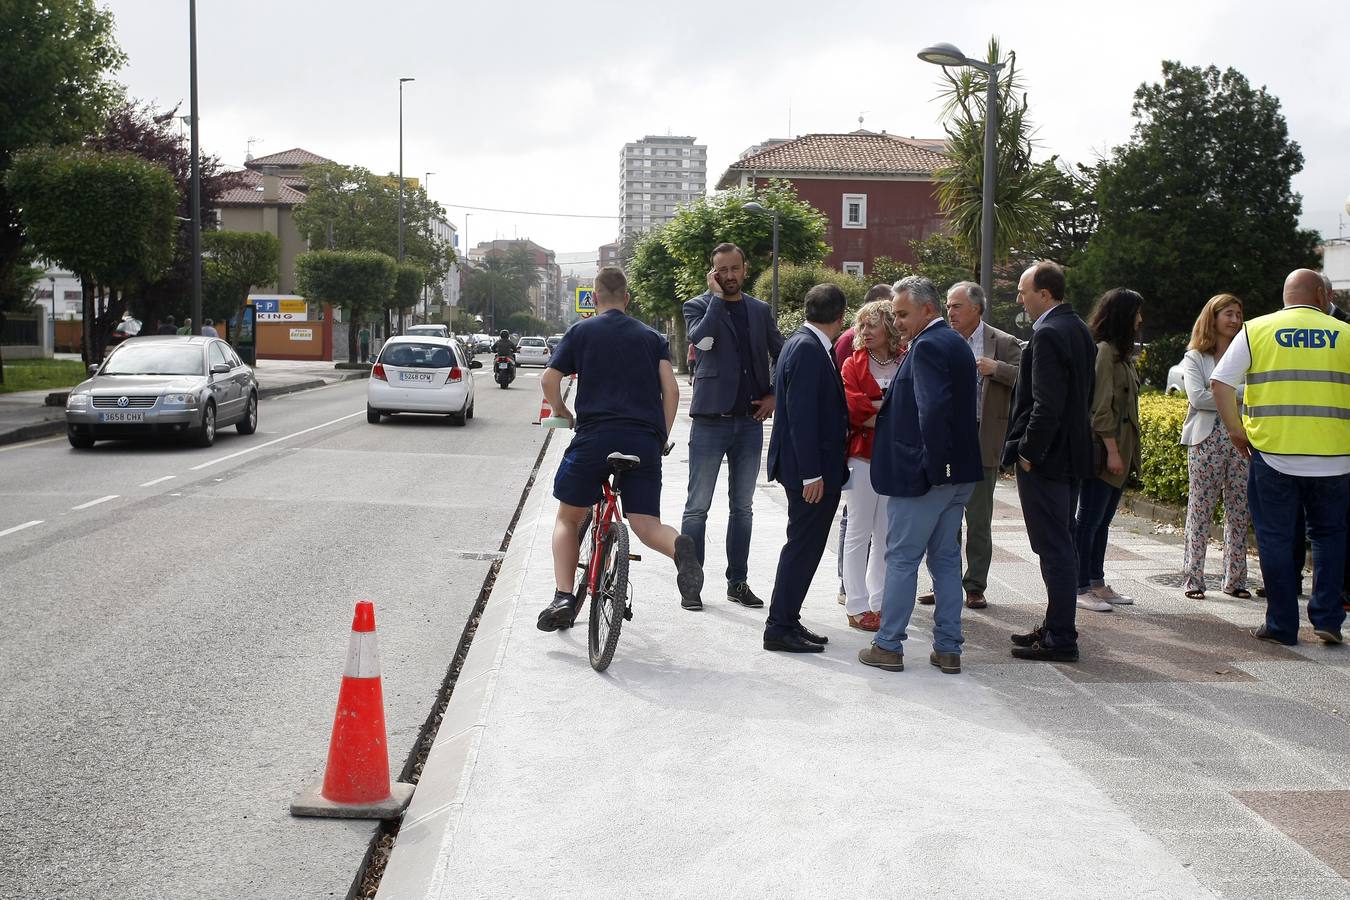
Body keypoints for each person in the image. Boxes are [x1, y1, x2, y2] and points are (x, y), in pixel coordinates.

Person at [535, 266, 704, 631]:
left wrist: (563, 411)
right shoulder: (651, 336)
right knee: (645, 524)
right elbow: (671, 392)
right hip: (642, 439)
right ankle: (680, 549)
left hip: (595, 436)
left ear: (594, 298)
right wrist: (660, 436)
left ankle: (564, 597)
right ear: (627, 299)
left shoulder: (581, 331)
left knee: (568, 517)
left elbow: (549, 379)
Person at [1211, 268, 1349, 646]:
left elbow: (1220, 383)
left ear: (1286, 296)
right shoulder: (1346, 334)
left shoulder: (1256, 330)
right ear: (1322, 296)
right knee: (1331, 537)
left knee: (1274, 539)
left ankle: (1282, 624)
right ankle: (1328, 619)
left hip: (1273, 455)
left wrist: (1237, 431)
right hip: (1336, 458)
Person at [860, 277, 982, 674]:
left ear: (927, 310)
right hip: (958, 472)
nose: (896, 323)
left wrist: (935, 470)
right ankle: (948, 648)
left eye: (901, 314)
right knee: (945, 560)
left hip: (929, 476)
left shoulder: (929, 345)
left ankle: (889, 644)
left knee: (901, 558)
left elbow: (933, 412)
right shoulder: (955, 343)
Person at [682, 242, 785, 611]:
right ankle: (692, 585)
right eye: (721, 270)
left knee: (742, 507)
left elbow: (782, 352)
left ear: (745, 270)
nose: (728, 276)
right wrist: (714, 299)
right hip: (710, 421)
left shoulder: (759, 311)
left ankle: (737, 582)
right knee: (697, 507)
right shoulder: (696, 306)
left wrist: (774, 394)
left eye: (734, 269)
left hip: (749, 424)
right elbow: (702, 341)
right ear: (713, 273)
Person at [1003, 261, 1097, 662]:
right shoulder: (1077, 327)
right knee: (1060, 543)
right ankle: (1056, 625)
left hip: (1047, 459)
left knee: (1054, 546)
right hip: (1071, 455)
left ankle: (1060, 636)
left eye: (1024, 292)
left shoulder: (1047, 333)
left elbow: (1046, 404)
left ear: (1045, 293)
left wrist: (1027, 452)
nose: (1020, 299)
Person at [917, 281, 1022, 610]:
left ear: (977, 308)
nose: (951, 312)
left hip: (983, 438)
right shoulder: (941, 341)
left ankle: (975, 585)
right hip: (950, 442)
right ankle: (944, 580)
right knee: (946, 514)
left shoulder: (1002, 342)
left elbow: (1029, 377)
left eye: (957, 306)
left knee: (978, 516)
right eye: (948, 306)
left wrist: (998, 369)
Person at [763, 283, 849, 652]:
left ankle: (788, 619)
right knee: (803, 547)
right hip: (808, 472)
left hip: (806, 467)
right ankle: (779, 626)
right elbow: (800, 417)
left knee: (806, 546)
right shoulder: (808, 350)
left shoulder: (804, 344)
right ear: (841, 317)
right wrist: (812, 473)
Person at [1074, 289, 1145, 612]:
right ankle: (1080, 585)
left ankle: (1097, 581)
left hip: (1121, 453)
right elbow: (1100, 409)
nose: (1140, 321)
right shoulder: (1103, 352)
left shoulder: (1121, 354)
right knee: (1089, 520)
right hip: (1104, 453)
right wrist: (1113, 451)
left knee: (1102, 521)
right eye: (1136, 314)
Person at [838, 299, 905, 631]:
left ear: (889, 327)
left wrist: (878, 409)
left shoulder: (906, 360)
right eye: (861, 324)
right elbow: (854, 409)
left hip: (896, 458)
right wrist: (890, 412)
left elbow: (915, 409)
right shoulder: (853, 363)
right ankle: (857, 604)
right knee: (858, 531)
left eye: (871, 324)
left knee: (886, 534)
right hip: (862, 455)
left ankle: (879, 602)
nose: (863, 330)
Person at [1180, 294, 1251, 600]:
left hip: (1241, 439)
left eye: (1238, 314)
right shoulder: (1196, 357)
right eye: (1229, 314)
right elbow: (1197, 398)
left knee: (1239, 512)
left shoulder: (1248, 356)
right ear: (1213, 317)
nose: (1235, 320)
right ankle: (1193, 579)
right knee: (1200, 510)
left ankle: (1235, 581)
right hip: (1205, 440)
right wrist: (1235, 393)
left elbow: (1254, 395)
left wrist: (1222, 392)